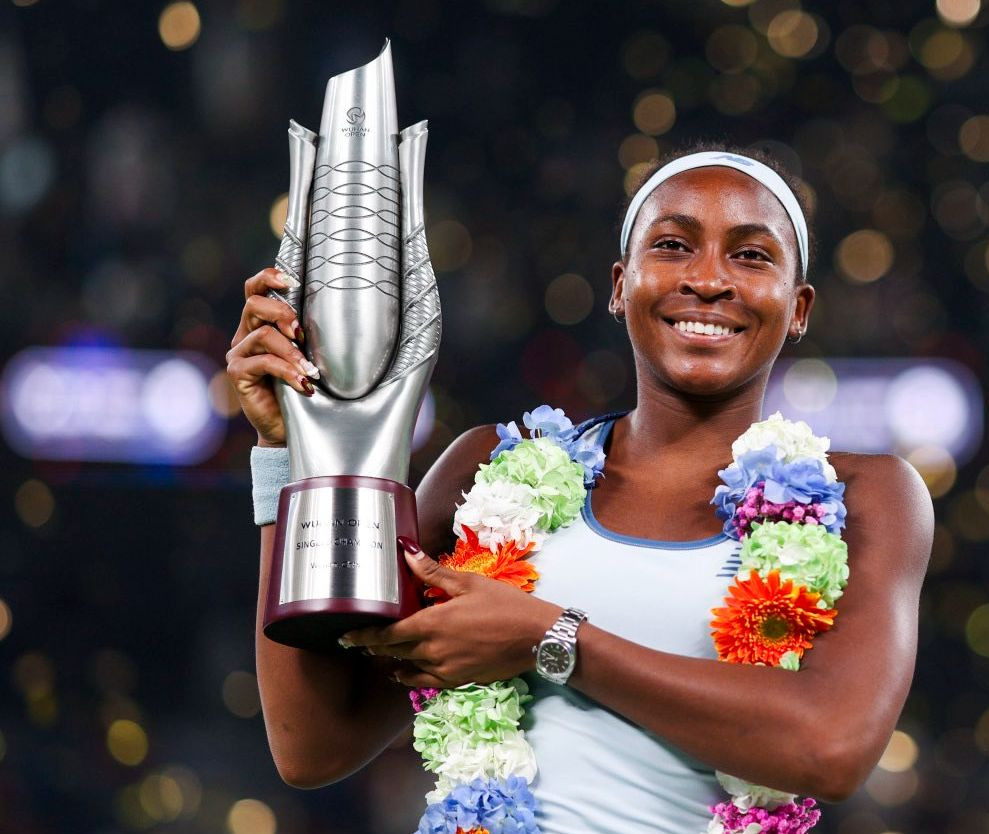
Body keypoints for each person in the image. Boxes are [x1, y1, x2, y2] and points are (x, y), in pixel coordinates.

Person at [226, 143, 934, 833]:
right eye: (673, 245)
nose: (708, 279)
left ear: (799, 307)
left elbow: (831, 748)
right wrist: (285, 456)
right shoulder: (488, 471)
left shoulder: (867, 495)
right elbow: (313, 747)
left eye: (751, 256)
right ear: (621, 286)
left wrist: (549, 637)